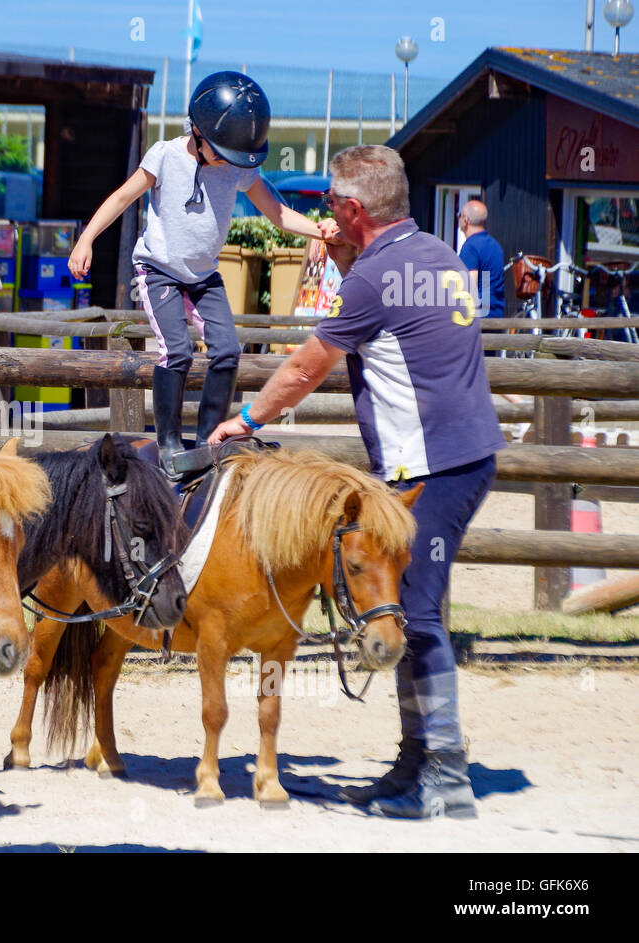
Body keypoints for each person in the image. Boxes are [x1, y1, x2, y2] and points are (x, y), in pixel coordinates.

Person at [208, 145, 506, 820]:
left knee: (418, 616)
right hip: (460, 455)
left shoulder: (373, 277)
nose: (326, 222)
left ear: (351, 209)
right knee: (408, 608)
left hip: (430, 465)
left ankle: (445, 778)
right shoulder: (437, 254)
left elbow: (306, 369)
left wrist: (245, 418)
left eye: (331, 211)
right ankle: (414, 762)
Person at [68, 71, 326, 479]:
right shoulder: (165, 155)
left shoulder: (237, 167)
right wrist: (86, 240)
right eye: (222, 152)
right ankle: (169, 442)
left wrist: (321, 229)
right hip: (159, 271)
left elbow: (276, 212)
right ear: (198, 131)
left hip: (204, 276)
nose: (227, 162)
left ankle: (210, 440)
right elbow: (121, 197)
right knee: (178, 351)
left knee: (227, 350)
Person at [457, 199, 505, 319]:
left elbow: (469, 287)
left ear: (465, 220)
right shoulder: (496, 246)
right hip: (497, 316)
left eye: (459, 215)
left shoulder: (470, 247)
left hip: (478, 318)